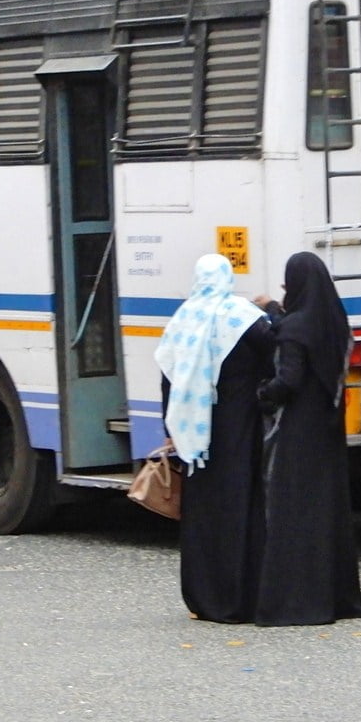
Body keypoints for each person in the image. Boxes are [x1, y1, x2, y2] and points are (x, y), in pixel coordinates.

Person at [156, 254, 275, 623]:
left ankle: (203, 598)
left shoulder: (183, 319)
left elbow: (168, 376)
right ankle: (244, 596)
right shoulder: (243, 317)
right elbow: (275, 356)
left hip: (197, 437)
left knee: (203, 514)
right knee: (242, 505)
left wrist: (172, 431)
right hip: (240, 427)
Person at [254, 252, 361, 625]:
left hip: (298, 430)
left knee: (294, 511)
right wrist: (274, 309)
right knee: (326, 510)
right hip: (328, 427)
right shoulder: (334, 321)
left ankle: (296, 602)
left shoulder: (294, 329)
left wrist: (261, 394)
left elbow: (288, 380)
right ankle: (337, 599)